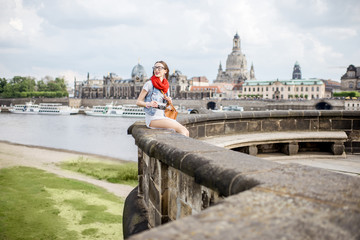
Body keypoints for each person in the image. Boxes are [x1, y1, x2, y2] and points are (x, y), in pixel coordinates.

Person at [136, 61, 189, 137]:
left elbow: (167, 105)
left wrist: (168, 101)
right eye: (155, 68)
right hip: (153, 118)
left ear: (165, 71)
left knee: (186, 132)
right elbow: (138, 102)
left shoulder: (166, 85)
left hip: (164, 116)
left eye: (159, 68)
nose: (156, 70)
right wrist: (148, 104)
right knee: (182, 130)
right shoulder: (149, 84)